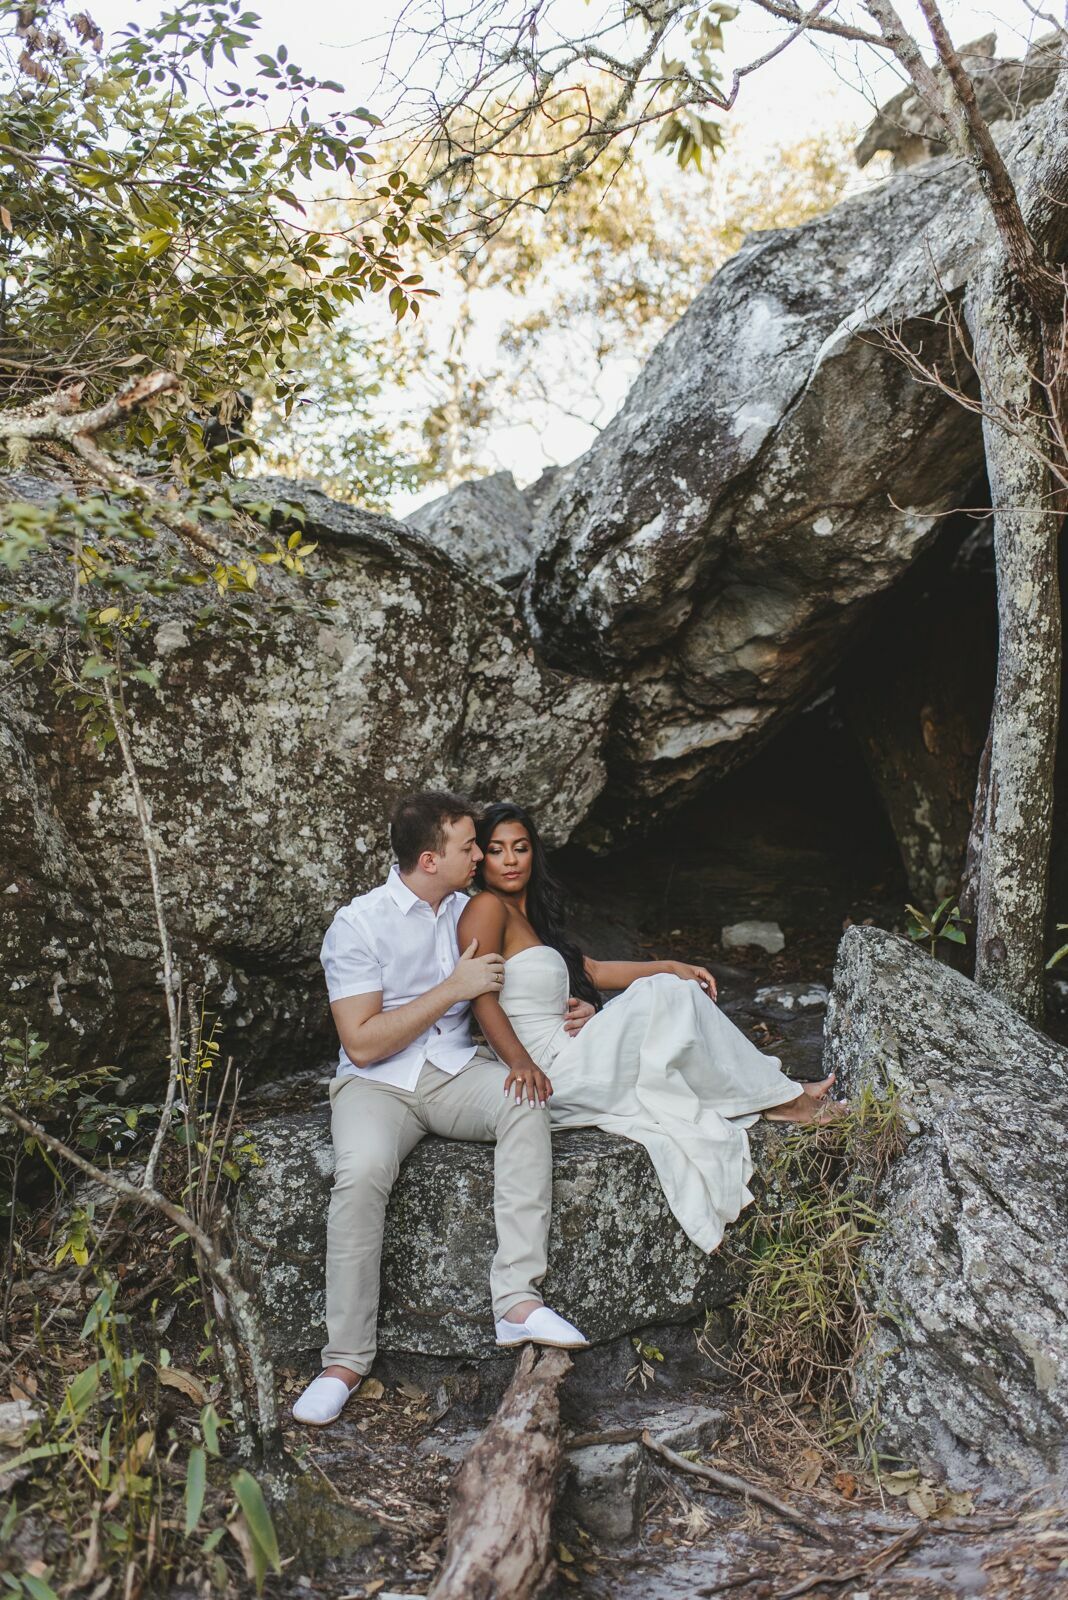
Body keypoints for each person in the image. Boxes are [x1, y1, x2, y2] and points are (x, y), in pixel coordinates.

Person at [291, 791, 590, 1428]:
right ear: (431, 858)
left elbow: (541, 977)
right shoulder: (359, 924)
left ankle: (516, 1300)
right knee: (363, 1173)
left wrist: (577, 1006)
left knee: (524, 1104)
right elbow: (362, 1042)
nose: (481, 855)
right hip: (378, 1086)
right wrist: (450, 989)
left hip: (455, 1073)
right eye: (468, 847)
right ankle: (343, 1362)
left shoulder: (470, 910)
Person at [457, 802, 846, 1258]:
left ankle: (775, 1091)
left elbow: (594, 969)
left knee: (669, 992)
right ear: (481, 859)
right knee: (667, 995)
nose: (509, 859)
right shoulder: (486, 906)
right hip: (550, 1072)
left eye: (520, 848)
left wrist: (668, 964)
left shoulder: (532, 921)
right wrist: (520, 1064)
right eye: (497, 850)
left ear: (533, 854)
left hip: (572, 1052)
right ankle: (788, 1101)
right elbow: (478, 992)